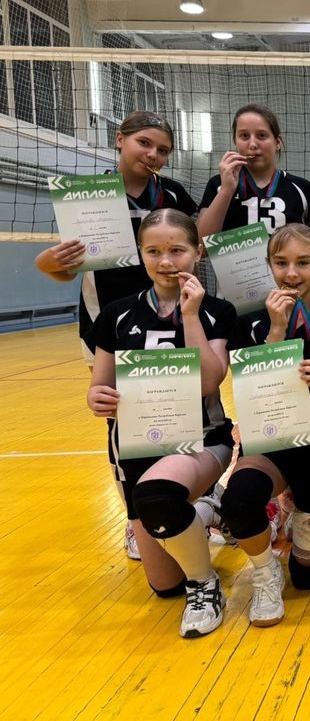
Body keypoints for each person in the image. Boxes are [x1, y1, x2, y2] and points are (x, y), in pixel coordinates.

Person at [36, 111, 198, 560]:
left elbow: (193, 246)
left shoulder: (173, 194)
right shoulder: (87, 197)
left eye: (163, 150)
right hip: (109, 325)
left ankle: (179, 501)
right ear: (119, 139)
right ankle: (134, 518)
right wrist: (49, 263)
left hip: (168, 321)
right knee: (122, 422)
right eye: (145, 143)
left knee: (175, 411)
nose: (153, 155)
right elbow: (62, 270)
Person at [86, 209, 235, 637]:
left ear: (198, 251)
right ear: (140, 254)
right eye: (153, 251)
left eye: (177, 250)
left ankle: (204, 584)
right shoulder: (116, 314)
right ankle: (207, 509)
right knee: (163, 586)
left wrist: (190, 315)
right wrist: (98, 398)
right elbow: (99, 386)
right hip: (136, 447)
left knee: (157, 496)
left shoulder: (217, 311)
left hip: (201, 441)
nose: (166, 261)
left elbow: (209, 381)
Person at [218, 224, 310, 627]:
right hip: (269, 444)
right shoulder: (250, 325)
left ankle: (299, 509)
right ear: (269, 265)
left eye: (303, 262)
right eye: (281, 263)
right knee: (238, 501)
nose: (292, 273)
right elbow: (250, 396)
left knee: (308, 579)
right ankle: (264, 573)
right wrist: (277, 329)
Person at [197, 103, 310, 238]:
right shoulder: (218, 184)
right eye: (244, 136)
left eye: (262, 135)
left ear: (277, 143)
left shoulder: (302, 188)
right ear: (235, 142)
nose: (252, 144)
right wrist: (226, 190)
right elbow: (200, 243)